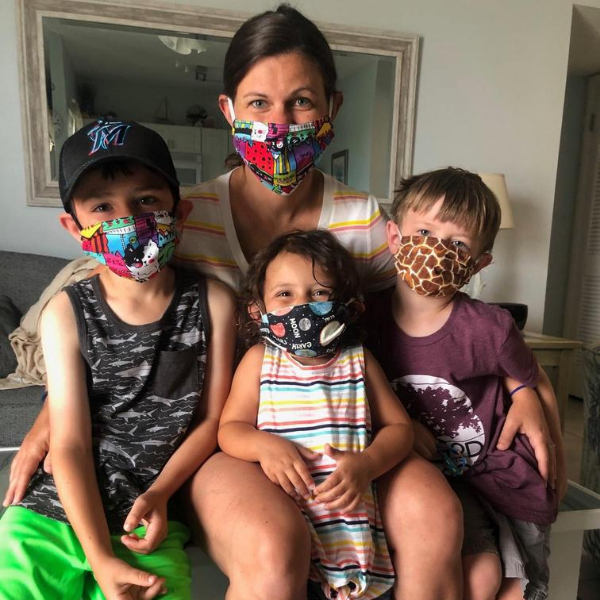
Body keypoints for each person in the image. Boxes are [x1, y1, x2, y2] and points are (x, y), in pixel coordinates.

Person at [4, 6, 556, 600]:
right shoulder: (176, 216)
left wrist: (527, 386)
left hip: (343, 428)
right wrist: (53, 414)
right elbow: (108, 308)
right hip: (221, 437)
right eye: (258, 103)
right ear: (228, 111)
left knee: (435, 516)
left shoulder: (367, 222)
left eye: (302, 102)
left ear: (332, 108)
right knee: (272, 545)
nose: (279, 123)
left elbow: (435, 312)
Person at [0, 120, 236, 600]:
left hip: (148, 518)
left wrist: (161, 494)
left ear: (179, 213)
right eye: (102, 207)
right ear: (75, 228)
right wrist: (98, 556)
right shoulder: (65, 312)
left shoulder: (214, 303)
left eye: (146, 200)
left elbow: (211, 419)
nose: (127, 218)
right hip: (51, 514)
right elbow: (68, 443)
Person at [367, 167, 565, 600]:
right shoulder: (366, 319)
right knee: (472, 575)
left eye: (457, 244)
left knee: (508, 585)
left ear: (478, 264)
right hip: (421, 481)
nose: (437, 250)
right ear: (395, 237)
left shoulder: (490, 328)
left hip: (493, 473)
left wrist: (556, 460)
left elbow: (533, 381)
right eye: (424, 232)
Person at [219, 229, 414, 599]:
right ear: (257, 310)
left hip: (352, 537)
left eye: (319, 293)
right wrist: (264, 446)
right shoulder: (259, 361)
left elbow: (399, 428)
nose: (302, 306)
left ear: (347, 306)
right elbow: (230, 429)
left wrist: (369, 464)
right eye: (285, 294)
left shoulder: (359, 360)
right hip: (288, 532)